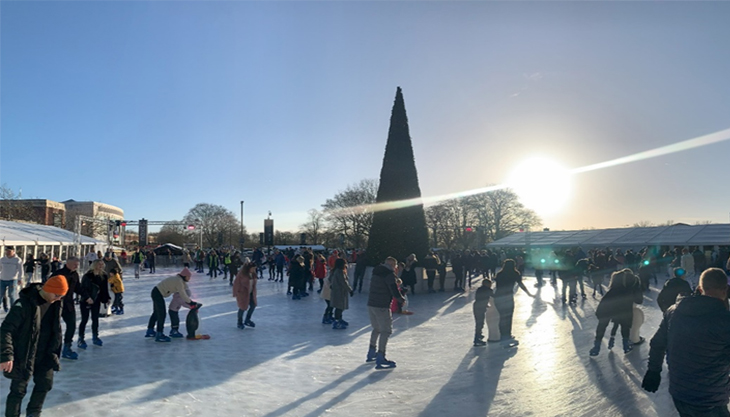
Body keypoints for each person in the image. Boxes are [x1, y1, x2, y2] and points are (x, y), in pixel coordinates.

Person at [642, 268, 730, 417]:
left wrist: (654, 370)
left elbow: (658, 343)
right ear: (725, 289)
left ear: (700, 288)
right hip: (710, 398)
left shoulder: (673, 311)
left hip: (680, 393)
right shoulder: (725, 320)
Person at [1, 275, 67, 417]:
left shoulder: (55, 303)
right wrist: (6, 355)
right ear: (49, 289)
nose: (59, 298)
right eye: (57, 295)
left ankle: (34, 413)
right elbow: (6, 329)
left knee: (45, 384)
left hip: (46, 353)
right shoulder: (24, 304)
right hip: (24, 353)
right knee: (18, 391)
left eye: (62, 296)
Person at [589, 269, 643, 356]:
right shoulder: (632, 284)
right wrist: (637, 289)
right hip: (623, 307)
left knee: (602, 325)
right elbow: (639, 300)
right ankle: (626, 345)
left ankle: (596, 346)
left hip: (607, 304)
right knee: (625, 324)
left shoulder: (616, 282)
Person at [366, 257, 404, 369]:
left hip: (371, 304)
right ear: (393, 265)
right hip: (382, 305)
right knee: (386, 330)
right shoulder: (389, 274)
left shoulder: (377, 271)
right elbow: (394, 289)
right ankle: (381, 356)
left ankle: (371, 352)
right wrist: (401, 299)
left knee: (376, 328)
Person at [145, 268, 197, 342]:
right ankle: (159, 334)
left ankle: (150, 331)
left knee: (156, 313)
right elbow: (183, 294)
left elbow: (186, 289)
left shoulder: (180, 280)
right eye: (189, 277)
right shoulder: (179, 281)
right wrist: (190, 302)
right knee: (161, 314)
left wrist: (190, 302)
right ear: (185, 276)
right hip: (157, 293)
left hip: (156, 292)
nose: (189, 279)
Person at [493, 259, 533, 343]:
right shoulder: (515, 274)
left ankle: (502, 334)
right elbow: (520, 284)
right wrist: (528, 293)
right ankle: (507, 334)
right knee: (508, 316)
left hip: (498, 297)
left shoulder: (499, 274)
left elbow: (497, 286)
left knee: (501, 316)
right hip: (508, 297)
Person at [77, 259, 111, 349]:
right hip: (86, 300)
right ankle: (81, 338)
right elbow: (83, 288)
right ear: (94, 265)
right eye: (99, 264)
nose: (101, 266)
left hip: (97, 300)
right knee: (84, 319)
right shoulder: (87, 276)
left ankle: (95, 336)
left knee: (95, 319)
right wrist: (87, 298)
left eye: (102, 264)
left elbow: (104, 288)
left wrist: (107, 298)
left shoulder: (103, 275)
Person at [54, 257, 80, 360]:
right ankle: (53, 348)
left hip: (68, 304)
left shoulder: (75, 274)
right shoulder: (58, 274)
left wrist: (87, 296)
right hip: (56, 303)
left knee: (71, 325)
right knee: (54, 326)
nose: (76, 267)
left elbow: (78, 287)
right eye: (75, 265)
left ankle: (67, 347)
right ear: (68, 264)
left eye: (77, 265)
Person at [330, 258, 353, 330]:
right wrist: (350, 290)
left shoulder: (334, 271)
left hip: (336, 291)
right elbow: (343, 282)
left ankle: (339, 319)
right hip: (339, 292)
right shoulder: (340, 272)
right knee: (339, 307)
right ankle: (337, 322)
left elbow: (330, 279)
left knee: (339, 306)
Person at [233, 262, 258, 329]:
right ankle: (239, 322)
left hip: (251, 293)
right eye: (253, 268)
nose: (254, 270)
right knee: (242, 307)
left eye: (254, 268)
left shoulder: (253, 274)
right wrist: (235, 292)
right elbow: (236, 283)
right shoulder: (242, 274)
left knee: (253, 305)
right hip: (242, 293)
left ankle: (247, 320)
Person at [1, 246, 23, 312]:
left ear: (13, 251)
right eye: (7, 251)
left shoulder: (17, 260)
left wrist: (20, 278)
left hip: (12, 279)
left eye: (9, 251)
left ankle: (13, 309)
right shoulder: (2, 259)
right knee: (1, 294)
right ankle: (5, 307)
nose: (8, 253)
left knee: (11, 295)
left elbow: (20, 270)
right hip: (2, 279)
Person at [473, 278, 494, 346]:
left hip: (476, 306)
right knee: (480, 323)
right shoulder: (488, 290)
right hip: (480, 308)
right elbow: (494, 296)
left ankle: (479, 335)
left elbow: (479, 298)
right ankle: (477, 339)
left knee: (479, 322)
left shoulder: (479, 289)